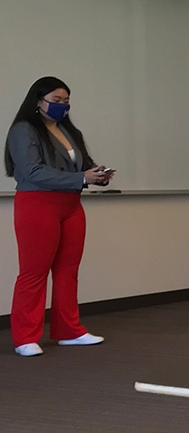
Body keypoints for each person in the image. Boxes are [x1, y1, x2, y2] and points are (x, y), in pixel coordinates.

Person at [4, 76, 114, 357]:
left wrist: (94, 176)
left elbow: (79, 167)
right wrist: (81, 177)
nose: (62, 106)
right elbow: (31, 172)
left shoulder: (68, 130)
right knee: (34, 272)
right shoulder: (24, 130)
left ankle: (69, 330)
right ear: (38, 101)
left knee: (68, 271)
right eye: (56, 101)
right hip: (38, 204)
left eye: (66, 101)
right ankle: (25, 337)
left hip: (71, 205)